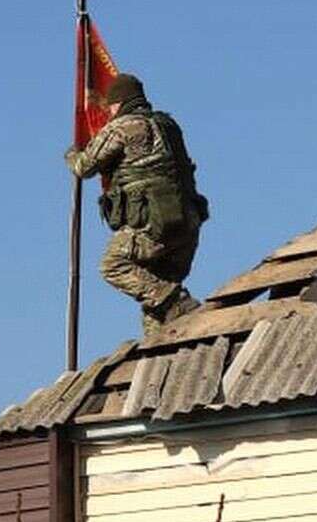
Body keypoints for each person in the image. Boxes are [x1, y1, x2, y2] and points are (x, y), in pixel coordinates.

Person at [65, 73, 210, 336]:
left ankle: (176, 302)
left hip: (153, 227)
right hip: (187, 227)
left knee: (114, 265)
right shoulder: (168, 125)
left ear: (119, 103)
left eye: (110, 105)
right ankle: (166, 350)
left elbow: (84, 167)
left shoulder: (124, 126)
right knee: (157, 309)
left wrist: (71, 153)